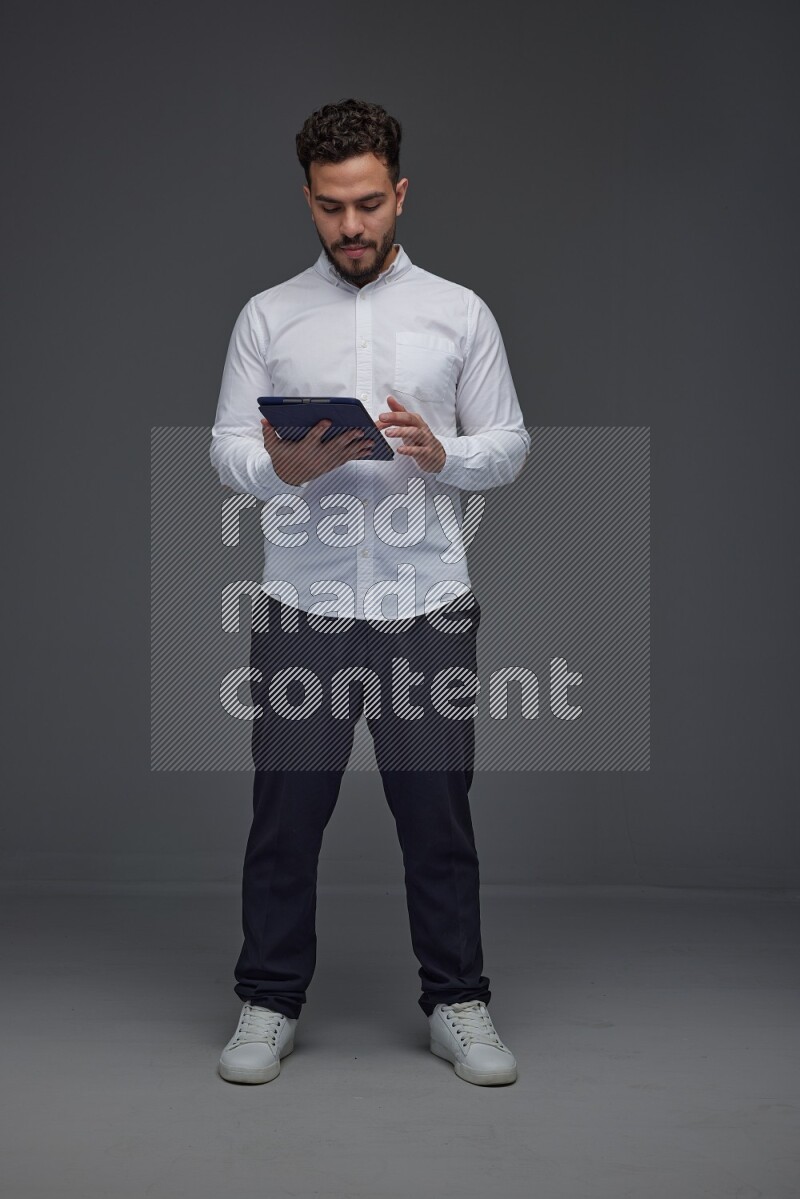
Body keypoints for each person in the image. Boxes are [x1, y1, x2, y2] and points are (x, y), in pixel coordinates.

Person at [209, 98, 529, 1087]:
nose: (349, 226)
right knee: (284, 812)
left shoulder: (458, 312)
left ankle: (456, 1000)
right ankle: (266, 1000)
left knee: (435, 810)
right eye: (327, 206)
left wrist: (448, 451)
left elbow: (510, 443)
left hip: (425, 603)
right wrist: (281, 472)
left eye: (366, 204)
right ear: (306, 200)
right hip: (301, 606)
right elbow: (225, 449)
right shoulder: (269, 315)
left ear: (398, 193)